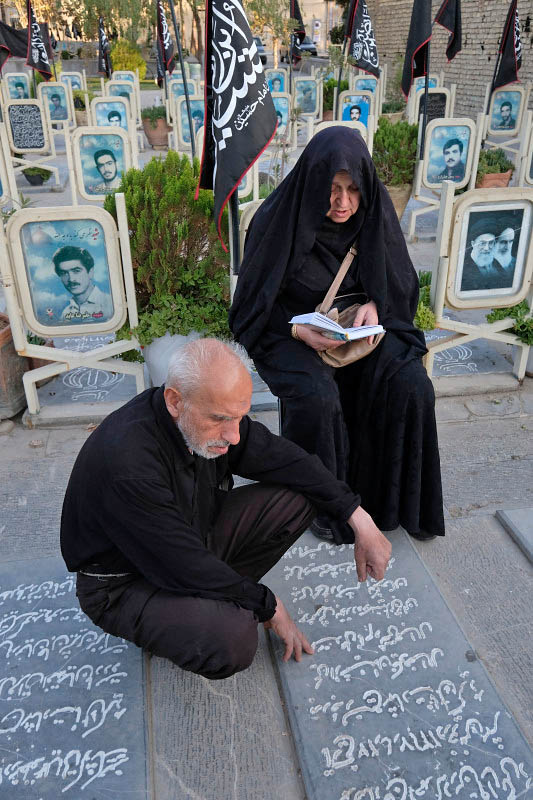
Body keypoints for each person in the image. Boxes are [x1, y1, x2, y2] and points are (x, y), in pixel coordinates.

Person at [60, 338, 391, 679]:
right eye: (220, 419)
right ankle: (189, 614)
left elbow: (286, 459)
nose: (233, 436)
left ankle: (215, 596)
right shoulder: (128, 463)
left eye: (239, 418)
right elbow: (180, 563)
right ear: (175, 401)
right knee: (233, 640)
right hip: (125, 583)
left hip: (190, 536)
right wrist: (269, 605)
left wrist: (359, 518)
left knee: (300, 496)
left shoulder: (209, 416)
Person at [230, 127, 444, 543]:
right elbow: (251, 307)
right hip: (289, 333)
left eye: (352, 189)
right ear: (313, 182)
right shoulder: (277, 220)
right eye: (331, 188)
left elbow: (400, 286)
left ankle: (396, 503)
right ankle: (324, 507)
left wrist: (377, 306)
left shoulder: (373, 215)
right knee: (317, 396)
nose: (343, 202)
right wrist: (296, 328)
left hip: (360, 333)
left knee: (412, 385)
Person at [53, 245, 114, 322]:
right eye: (64, 273)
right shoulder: (66, 312)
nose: (71, 279)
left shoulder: (111, 304)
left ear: (90, 272)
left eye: (76, 271)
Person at [460, 218, 510, 291]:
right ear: (473, 244)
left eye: (490, 243)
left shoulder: (495, 263)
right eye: (482, 243)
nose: (487, 248)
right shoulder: (463, 266)